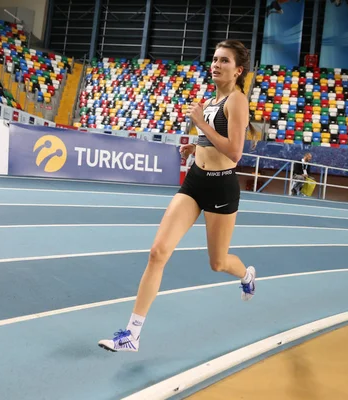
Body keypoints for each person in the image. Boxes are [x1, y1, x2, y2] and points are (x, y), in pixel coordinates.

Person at [98, 39, 256, 353]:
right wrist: (195, 147)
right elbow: (213, 142)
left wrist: (199, 124)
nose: (216, 65)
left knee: (218, 262)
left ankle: (247, 274)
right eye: (214, 59)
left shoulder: (237, 101)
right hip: (195, 183)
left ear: (238, 70)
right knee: (158, 252)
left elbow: (235, 153)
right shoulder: (212, 100)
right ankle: (132, 334)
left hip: (221, 187)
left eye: (224, 61)